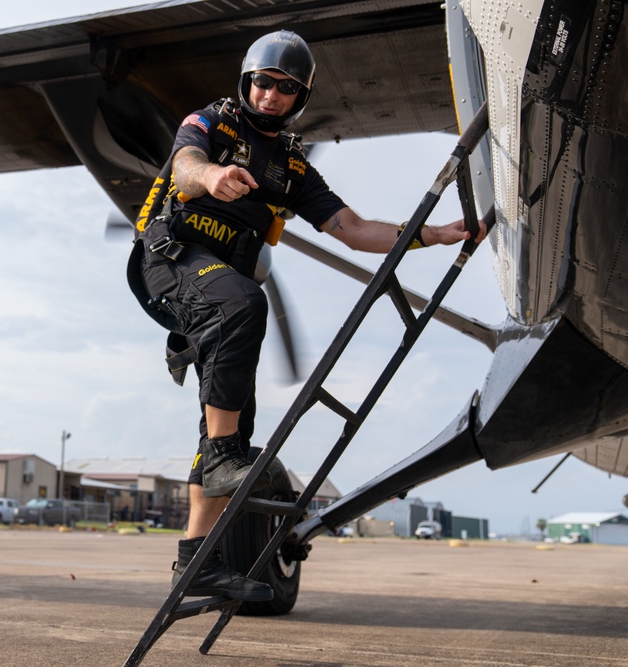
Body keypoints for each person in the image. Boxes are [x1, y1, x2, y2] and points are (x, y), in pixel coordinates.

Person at [127, 30, 486, 601]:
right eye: (263, 83)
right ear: (247, 82)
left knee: (230, 424)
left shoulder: (291, 166)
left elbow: (353, 228)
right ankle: (222, 460)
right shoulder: (212, 123)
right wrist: (213, 177)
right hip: (170, 262)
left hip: (217, 291)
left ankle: (195, 564)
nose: (271, 95)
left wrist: (436, 235)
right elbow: (186, 165)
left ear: (300, 98)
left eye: (286, 88)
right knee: (245, 305)